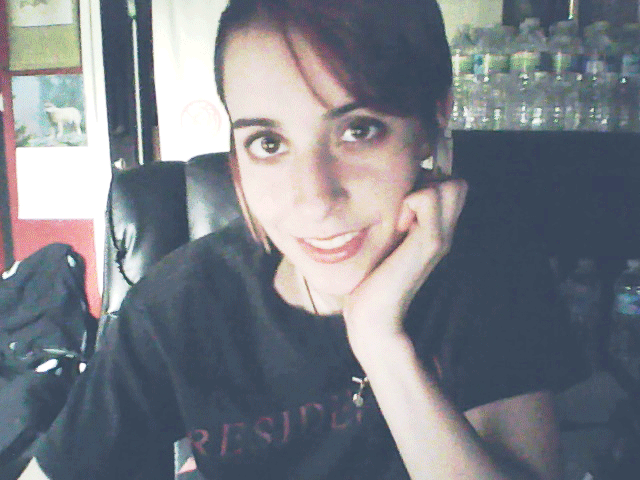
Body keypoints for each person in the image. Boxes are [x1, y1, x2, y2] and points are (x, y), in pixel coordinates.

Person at [20, 0, 586, 478]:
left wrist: (380, 341)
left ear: (434, 119)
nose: (314, 197)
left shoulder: (489, 267)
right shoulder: (178, 306)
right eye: (268, 143)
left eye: (359, 130)